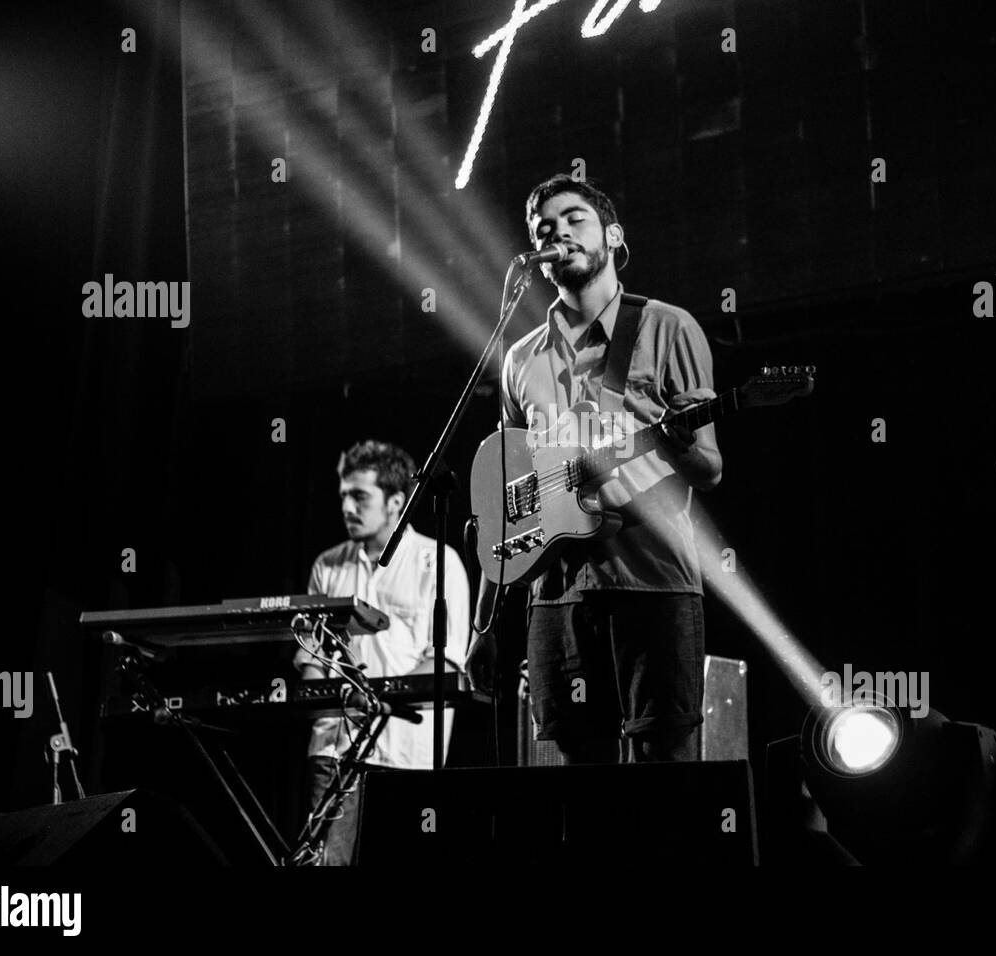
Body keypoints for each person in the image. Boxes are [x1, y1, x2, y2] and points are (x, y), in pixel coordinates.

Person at [467, 174, 723, 765]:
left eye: (574, 218)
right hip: (555, 597)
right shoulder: (519, 358)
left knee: (665, 779)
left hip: (653, 581)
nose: (558, 231)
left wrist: (679, 441)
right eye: (543, 227)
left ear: (613, 234)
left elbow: (709, 468)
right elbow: (509, 497)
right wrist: (484, 625)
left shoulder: (667, 327)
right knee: (582, 796)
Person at [294, 440, 470, 865]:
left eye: (360, 496)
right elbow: (309, 662)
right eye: (343, 496)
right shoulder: (327, 565)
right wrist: (331, 703)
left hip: (407, 754)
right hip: (335, 753)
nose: (348, 507)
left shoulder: (437, 562)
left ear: (395, 501)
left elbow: (443, 662)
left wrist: (378, 699)